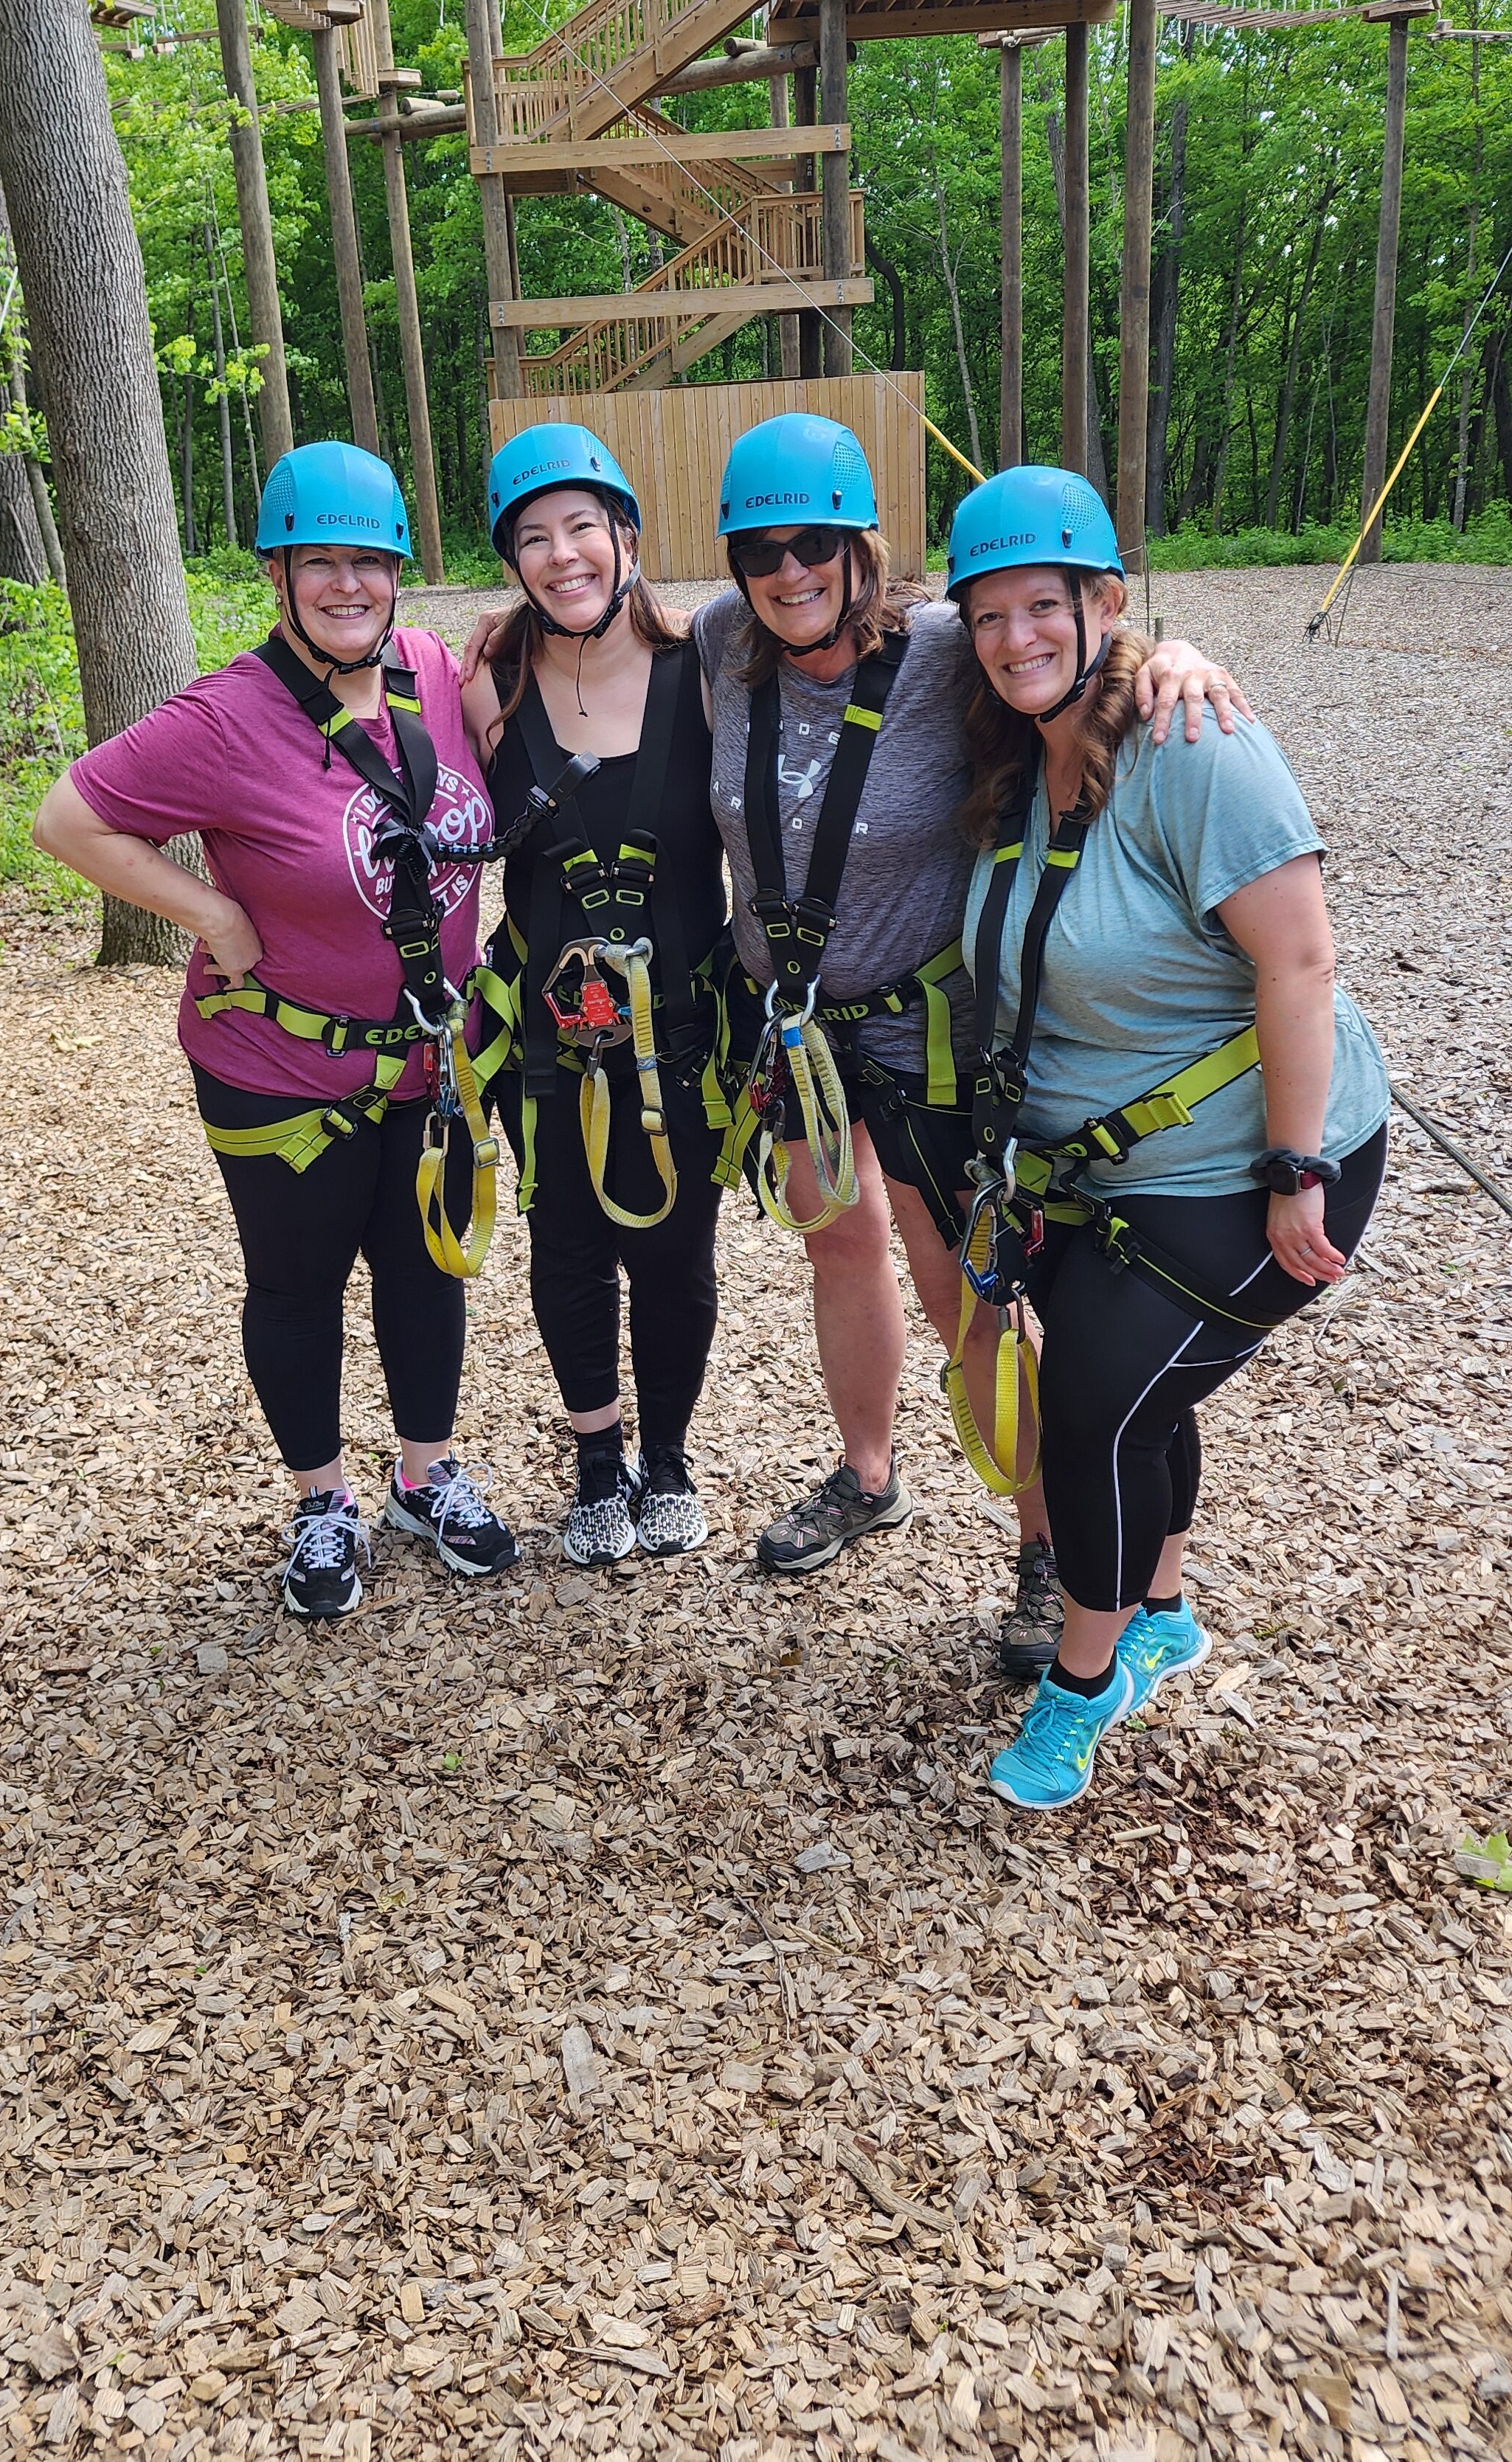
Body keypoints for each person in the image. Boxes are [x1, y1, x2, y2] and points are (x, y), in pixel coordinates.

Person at [693, 411, 1248, 1650]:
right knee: (838, 1251)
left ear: (860, 547)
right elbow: (616, 639)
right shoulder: (725, 643)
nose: (787, 571)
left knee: (972, 1296)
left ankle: (1049, 1549)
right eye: (759, 550)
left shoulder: (944, 648)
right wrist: (506, 644)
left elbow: (1057, 645)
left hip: (926, 1033)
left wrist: (1177, 654)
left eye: (813, 544)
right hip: (798, 1038)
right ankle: (869, 1474)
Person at [947, 464, 1388, 1811]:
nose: (1016, 639)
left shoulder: (1194, 746)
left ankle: (1081, 1687)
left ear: (1104, 604)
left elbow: (1300, 960)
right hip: (1100, 1170)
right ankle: (1164, 1609)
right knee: (1139, 1395)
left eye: (1046, 608)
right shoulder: (1022, 764)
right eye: (989, 616)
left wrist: (1296, 1168)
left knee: (1089, 1410)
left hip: (1251, 1160)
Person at [32, 440, 516, 1621]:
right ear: (278, 572)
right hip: (278, 1067)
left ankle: (425, 1474)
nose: (347, 585)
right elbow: (67, 818)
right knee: (297, 1285)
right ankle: (322, 1500)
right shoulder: (227, 718)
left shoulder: (433, 674)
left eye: (370, 562)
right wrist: (208, 910)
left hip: (425, 1061)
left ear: (400, 570)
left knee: (422, 1266)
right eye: (321, 565)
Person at [462, 426, 730, 1568]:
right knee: (565, 1244)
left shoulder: (709, 668)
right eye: (534, 537)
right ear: (512, 560)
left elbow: (887, 640)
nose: (562, 555)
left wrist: (1153, 659)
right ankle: (596, 1461)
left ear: (626, 535)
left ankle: (666, 1457)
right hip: (548, 1035)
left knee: (675, 1250)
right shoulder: (486, 683)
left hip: (681, 1027)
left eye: (582, 527)